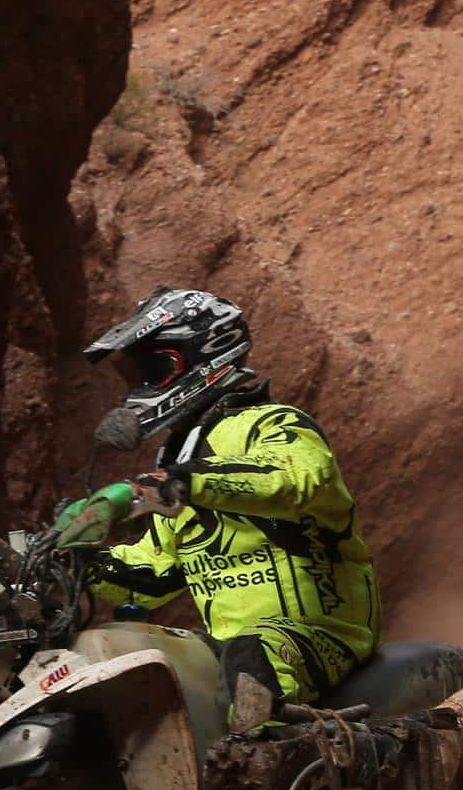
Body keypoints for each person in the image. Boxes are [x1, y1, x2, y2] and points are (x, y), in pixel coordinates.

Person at [83, 287, 382, 729]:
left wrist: (183, 482)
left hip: (320, 634)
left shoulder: (276, 423)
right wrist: (79, 563)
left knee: (250, 658)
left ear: (201, 356)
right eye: (134, 374)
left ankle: (260, 766)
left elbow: (288, 479)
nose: (140, 386)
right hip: (230, 645)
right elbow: (154, 572)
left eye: (153, 369)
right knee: (143, 657)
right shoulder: (178, 459)